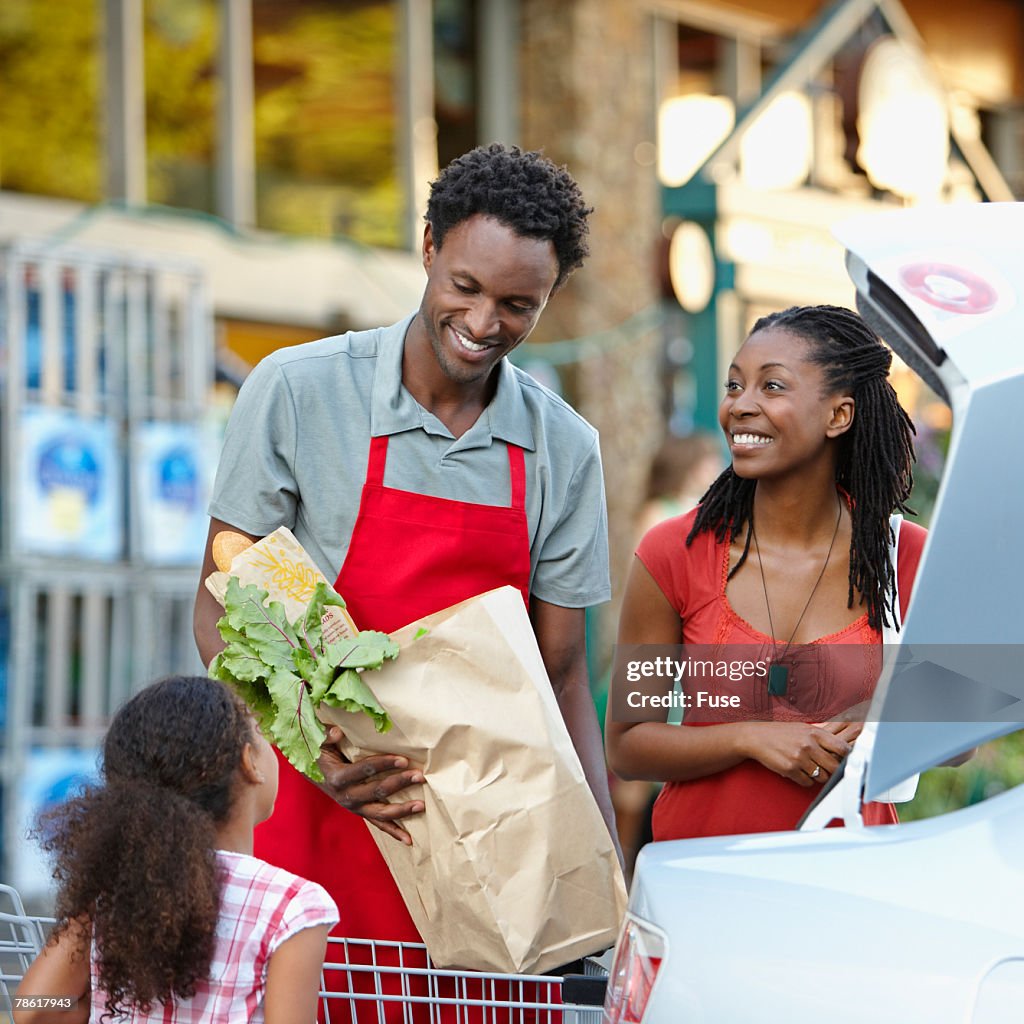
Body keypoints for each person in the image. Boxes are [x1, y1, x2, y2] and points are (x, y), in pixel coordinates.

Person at [191, 143, 616, 1012]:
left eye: (517, 305)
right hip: (314, 805)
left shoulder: (563, 449)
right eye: (465, 285)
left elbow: (562, 672)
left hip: (491, 836)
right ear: (428, 247)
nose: (484, 321)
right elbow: (220, 605)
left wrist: (603, 873)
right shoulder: (301, 391)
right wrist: (320, 759)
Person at [606, 304, 928, 840]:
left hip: (850, 887)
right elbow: (628, 745)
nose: (741, 406)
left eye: (772, 387)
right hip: (704, 887)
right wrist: (749, 738)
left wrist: (890, 714)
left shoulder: (904, 557)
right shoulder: (674, 553)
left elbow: (966, 737)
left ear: (838, 415)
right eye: (735, 386)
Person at [14, 676, 338, 1024]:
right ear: (249, 763)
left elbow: (36, 1008)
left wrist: (87, 1005)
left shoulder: (114, 893)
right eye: (260, 732)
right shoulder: (292, 906)